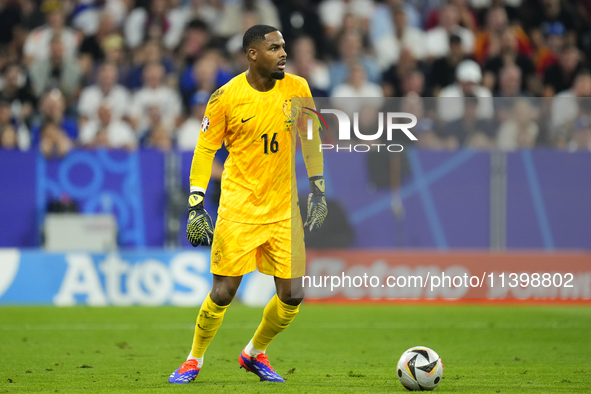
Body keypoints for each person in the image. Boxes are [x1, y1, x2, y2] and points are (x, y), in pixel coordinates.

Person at [168, 24, 327, 384]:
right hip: (239, 207)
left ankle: (254, 353)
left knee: (293, 294)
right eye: (274, 48)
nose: (283, 53)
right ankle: (193, 360)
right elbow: (205, 149)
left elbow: (311, 138)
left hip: (283, 209)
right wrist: (196, 203)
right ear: (253, 54)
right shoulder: (225, 97)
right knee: (223, 292)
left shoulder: (298, 88)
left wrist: (317, 187)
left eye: (283, 46)